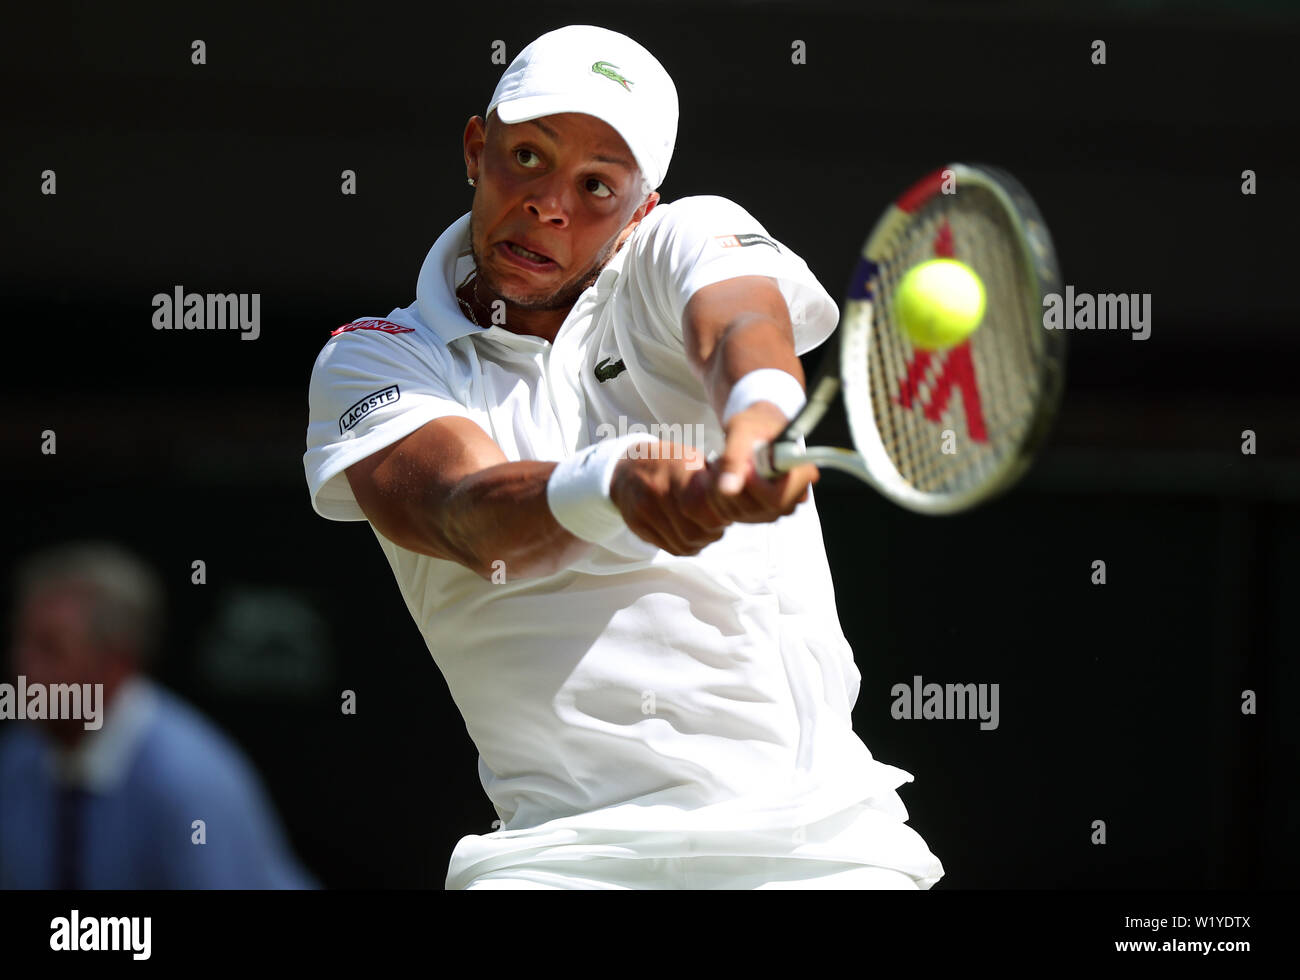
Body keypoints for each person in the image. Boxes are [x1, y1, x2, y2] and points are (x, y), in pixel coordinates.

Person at [303, 24, 943, 890]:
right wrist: (612, 484)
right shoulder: (374, 359)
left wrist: (757, 416)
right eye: (526, 157)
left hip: (819, 850)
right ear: (475, 147)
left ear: (641, 208)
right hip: (556, 857)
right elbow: (465, 511)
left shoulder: (684, 239)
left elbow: (743, 327)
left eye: (597, 184)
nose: (549, 205)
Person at [0, 541, 316, 889]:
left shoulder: (187, 782)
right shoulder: (18, 759)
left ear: (117, 663)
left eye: (50, 649)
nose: (23, 666)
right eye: (21, 643)